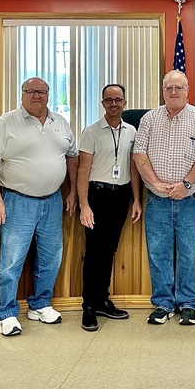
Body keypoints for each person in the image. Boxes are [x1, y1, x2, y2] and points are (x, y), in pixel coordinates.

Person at [0, 77, 78, 337]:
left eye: (42, 91)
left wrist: (72, 192)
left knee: (51, 257)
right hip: (17, 200)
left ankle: (40, 304)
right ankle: (6, 313)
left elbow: (72, 156)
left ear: (49, 94)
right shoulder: (5, 123)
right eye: (31, 91)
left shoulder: (60, 122)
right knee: (12, 260)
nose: (37, 95)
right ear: (22, 94)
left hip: (52, 200)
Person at [133, 70, 195, 326]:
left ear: (187, 90)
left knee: (191, 254)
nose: (174, 92)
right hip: (156, 200)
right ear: (163, 91)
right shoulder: (149, 119)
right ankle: (163, 304)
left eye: (179, 87)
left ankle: (188, 304)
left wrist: (186, 183)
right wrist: (155, 183)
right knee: (159, 254)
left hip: (189, 200)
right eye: (169, 88)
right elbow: (139, 153)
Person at [76, 84, 143, 332]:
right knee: (94, 252)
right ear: (102, 103)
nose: (114, 103)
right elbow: (83, 170)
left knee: (109, 251)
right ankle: (88, 306)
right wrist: (84, 204)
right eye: (109, 100)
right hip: (97, 195)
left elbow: (133, 168)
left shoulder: (132, 131)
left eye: (118, 99)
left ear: (125, 102)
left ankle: (102, 300)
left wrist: (136, 199)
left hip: (121, 196)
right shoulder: (91, 132)